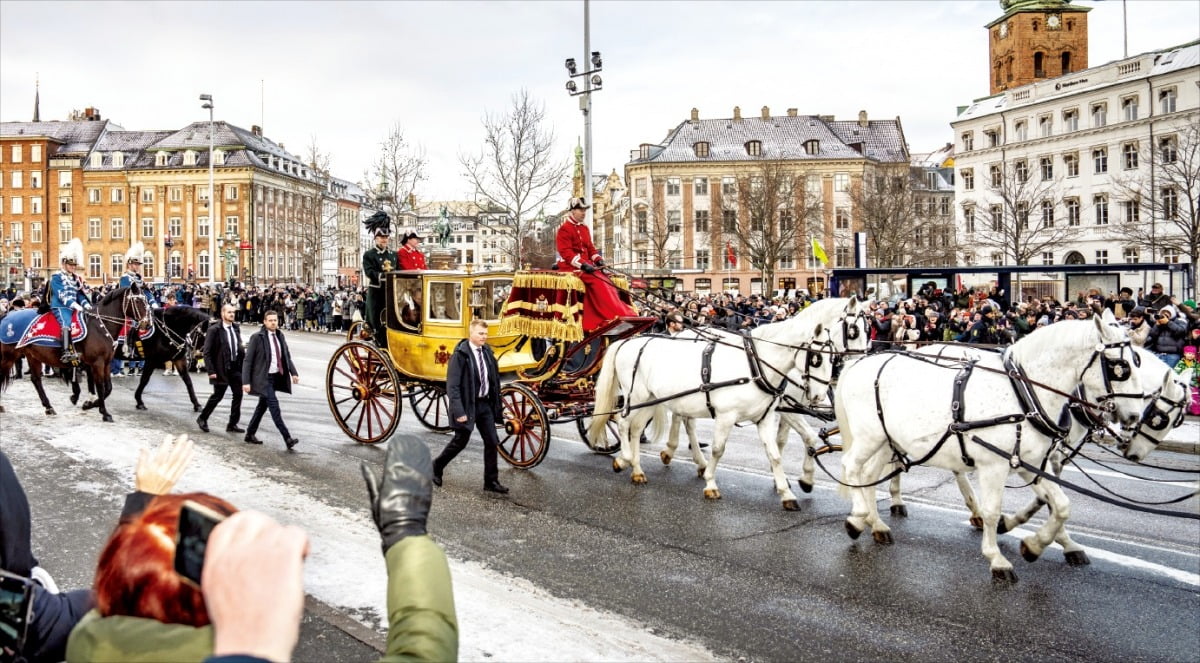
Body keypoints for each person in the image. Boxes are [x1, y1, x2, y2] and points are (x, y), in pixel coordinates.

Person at [432, 319, 507, 493]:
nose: (484, 337)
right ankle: (437, 466)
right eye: (481, 333)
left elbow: (494, 380)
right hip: (467, 405)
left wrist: (496, 405)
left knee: (492, 441)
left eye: (486, 334)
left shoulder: (487, 352)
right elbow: (453, 386)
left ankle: (491, 481)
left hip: (484, 404)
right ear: (471, 334)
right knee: (460, 441)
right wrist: (459, 411)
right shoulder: (460, 355)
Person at [555, 197, 635, 332]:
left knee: (607, 278)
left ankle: (620, 310)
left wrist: (598, 260)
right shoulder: (564, 229)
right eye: (581, 210)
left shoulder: (584, 228)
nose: (583, 213)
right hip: (571, 266)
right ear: (572, 211)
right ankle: (612, 314)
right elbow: (566, 253)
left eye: (584, 210)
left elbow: (591, 248)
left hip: (587, 264)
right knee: (598, 281)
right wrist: (582, 264)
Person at [241, 310, 300, 450]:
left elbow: (286, 357)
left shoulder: (280, 336)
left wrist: (294, 373)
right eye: (270, 320)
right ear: (265, 322)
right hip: (263, 378)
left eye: (275, 320)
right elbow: (247, 361)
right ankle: (287, 438)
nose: (273, 323)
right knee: (274, 408)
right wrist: (246, 382)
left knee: (262, 407)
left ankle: (249, 434)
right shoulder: (257, 337)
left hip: (274, 377)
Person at [197, 303, 245, 434]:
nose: (232, 314)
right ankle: (202, 418)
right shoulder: (214, 330)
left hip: (235, 367)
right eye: (229, 312)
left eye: (233, 312)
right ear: (222, 314)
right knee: (217, 396)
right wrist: (211, 371)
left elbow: (238, 346)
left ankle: (232, 424)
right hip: (221, 368)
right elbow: (206, 352)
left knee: (238, 395)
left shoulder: (235, 328)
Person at [47, 238, 91, 363]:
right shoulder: (57, 277)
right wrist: (75, 305)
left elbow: (79, 294)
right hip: (61, 307)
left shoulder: (76, 279)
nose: (73, 267)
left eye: (74, 265)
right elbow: (61, 294)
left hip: (74, 306)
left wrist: (86, 304)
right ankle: (65, 351)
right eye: (70, 265)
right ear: (64, 264)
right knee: (66, 323)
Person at [362, 211, 398, 346]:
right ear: (376, 239)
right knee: (378, 320)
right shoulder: (369, 255)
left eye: (386, 237)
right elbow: (369, 272)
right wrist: (382, 275)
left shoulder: (393, 255)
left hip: (391, 292)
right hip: (377, 293)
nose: (384, 240)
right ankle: (378, 340)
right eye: (381, 237)